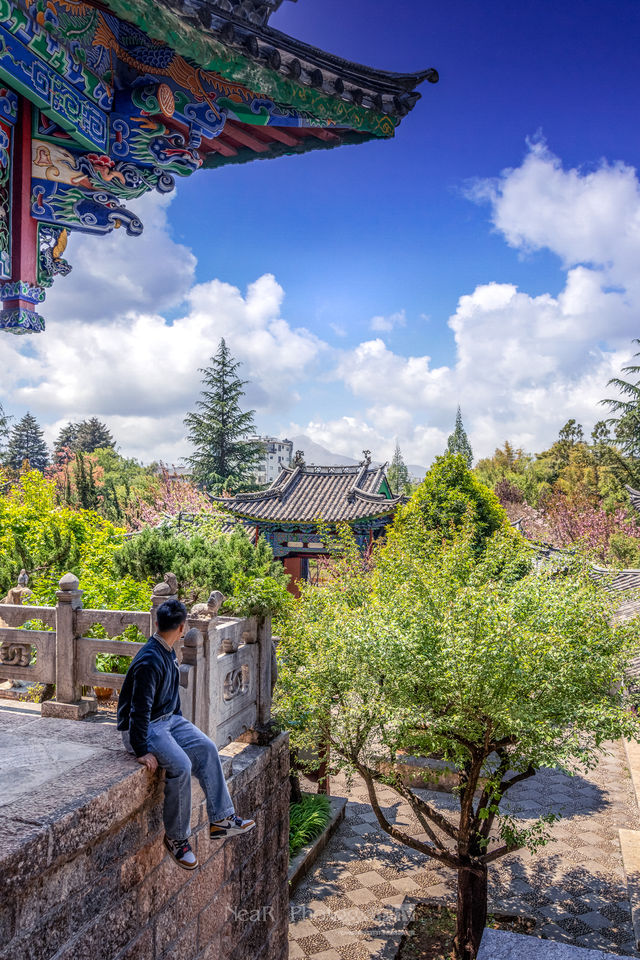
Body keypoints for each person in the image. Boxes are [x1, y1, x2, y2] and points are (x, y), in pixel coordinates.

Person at [117, 597, 255, 870]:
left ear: (158, 624)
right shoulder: (149, 660)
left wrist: (180, 725)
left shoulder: (167, 650)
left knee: (206, 747)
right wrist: (141, 748)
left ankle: (222, 819)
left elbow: (172, 697)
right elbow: (138, 709)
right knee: (181, 765)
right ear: (182, 629)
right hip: (144, 726)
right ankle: (177, 839)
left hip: (169, 720)